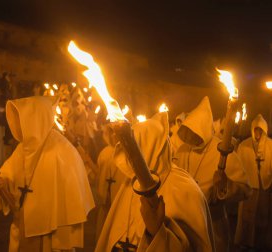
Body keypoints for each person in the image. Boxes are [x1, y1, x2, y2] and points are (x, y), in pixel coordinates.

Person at [0, 96, 95, 251]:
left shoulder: (63, 151)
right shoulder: (24, 147)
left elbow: (71, 195)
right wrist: (2, 182)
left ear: (35, 119)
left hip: (53, 230)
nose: (19, 124)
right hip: (25, 222)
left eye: (23, 119)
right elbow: (8, 172)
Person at [96, 112, 214, 252]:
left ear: (152, 148)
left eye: (135, 149)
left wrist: (156, 232)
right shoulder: (131, 183)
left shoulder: (185, 189)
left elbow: (193, 247)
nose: (129, 157)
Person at [175, 96, 251, 252]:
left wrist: (226, 185)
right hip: (184, 222)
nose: (189, 136)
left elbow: (245, 189)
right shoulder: (182, 150)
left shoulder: (221, 149)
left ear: (202, 128)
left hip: (212, 223)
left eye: (193, 131)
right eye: (187, 131)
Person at [235, 114, 272, 251]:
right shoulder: (244, 146)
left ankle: (260, 242)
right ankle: (245, 241)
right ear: (252, 130)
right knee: (247, 216)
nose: (257, 133)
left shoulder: (270, 146)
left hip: (264, 187)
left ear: (264, 131)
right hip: (249, 187)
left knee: (262, 216)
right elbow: (238, 166)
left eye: (260, 131)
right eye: (256, 130)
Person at [95, 125, 125, 240]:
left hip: (118, 201)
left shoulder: (125, 154)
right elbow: (100, 176)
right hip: (108, 203)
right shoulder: (105, 153)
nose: (113, 136)